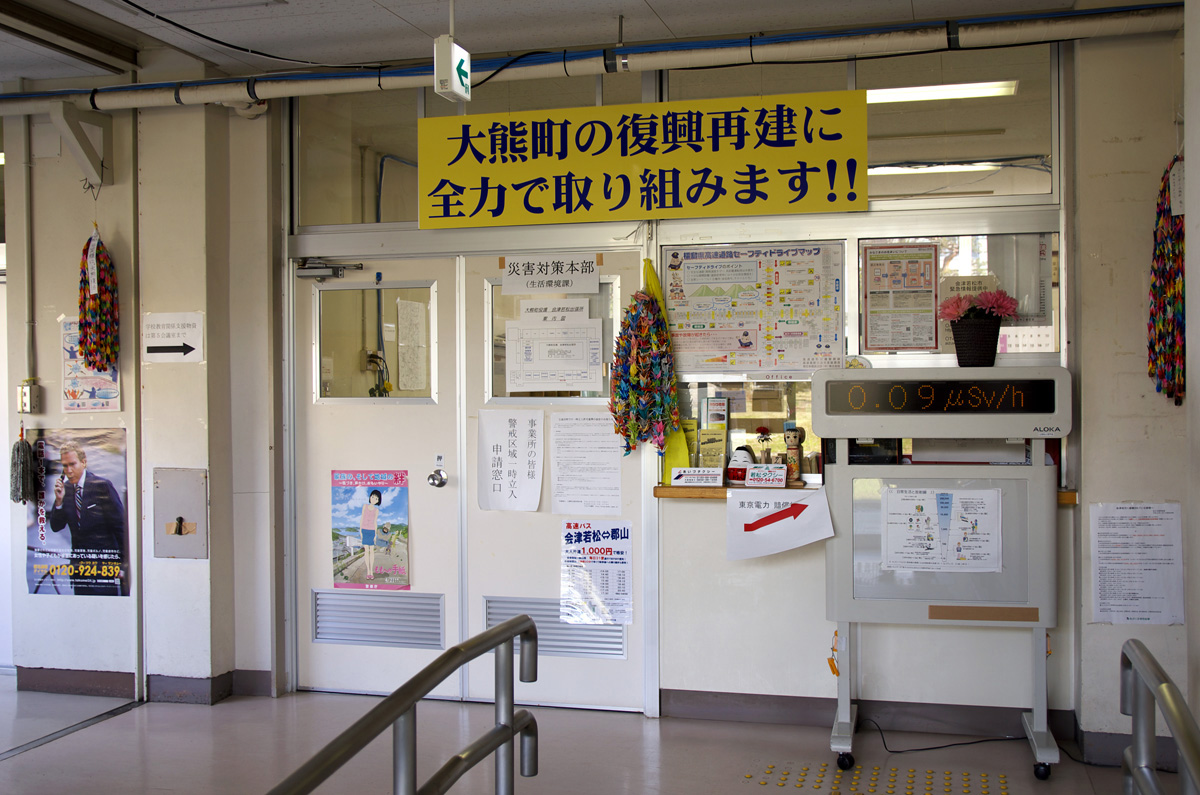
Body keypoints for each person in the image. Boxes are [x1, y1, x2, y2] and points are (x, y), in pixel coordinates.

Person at [48, 441, 126, 596]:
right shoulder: (66, 489)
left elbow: (121, 528)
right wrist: (59, 501)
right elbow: (56, 526)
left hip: (104, 569)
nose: (68, 471)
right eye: (64, 466)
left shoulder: (101, 485)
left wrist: (124, 566)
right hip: (79, 571)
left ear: (84, 463)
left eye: (72, 464)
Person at [359, 489, 382, 580]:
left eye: (376, 498)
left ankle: (371, 571)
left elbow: (375, 522)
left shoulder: (376, 510)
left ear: (378, 501)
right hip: (364, 530)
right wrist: (360, 531)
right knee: (366, 551)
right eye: (372, 497)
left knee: (371, 551)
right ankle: (368, 570)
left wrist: (375, 534)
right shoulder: (364, 506)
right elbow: (362, 518)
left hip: (372, 531)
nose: (373, 499)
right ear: (370, 497)